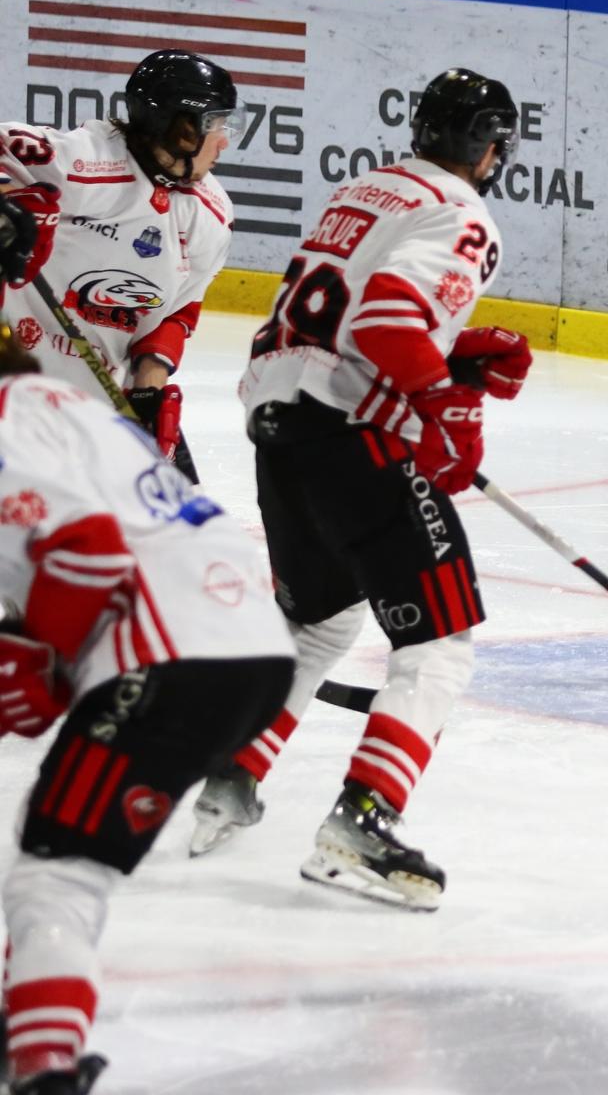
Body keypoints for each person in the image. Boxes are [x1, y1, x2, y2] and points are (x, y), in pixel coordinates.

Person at [185, 69, 531, 912]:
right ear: (491, 149)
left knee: (320, 621)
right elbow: (384, 320)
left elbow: (346, 316)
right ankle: (364, 821)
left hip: (280, 425)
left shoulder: (369, 189)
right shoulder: (464, 213)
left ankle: (233, 774)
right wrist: (446, 406)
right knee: (440, 643)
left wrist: (450, 356)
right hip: (352, 434)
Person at [0, 313, 293, 1094]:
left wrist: (38, 661)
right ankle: (31, 1015)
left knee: (56, 875)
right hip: (247, 648)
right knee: (63, 840)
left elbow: (86, 550)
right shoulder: (67, 409)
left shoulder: (9, 425)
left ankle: (45, 1068)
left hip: (175, 657)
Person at [0, 50, 242, 482]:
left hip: (83, 409)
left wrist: (150, 388)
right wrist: (8, 205)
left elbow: (176, 312)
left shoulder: (211, 216)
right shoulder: (80, 161)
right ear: (182, 127)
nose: (224, 141)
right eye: (217, 125)